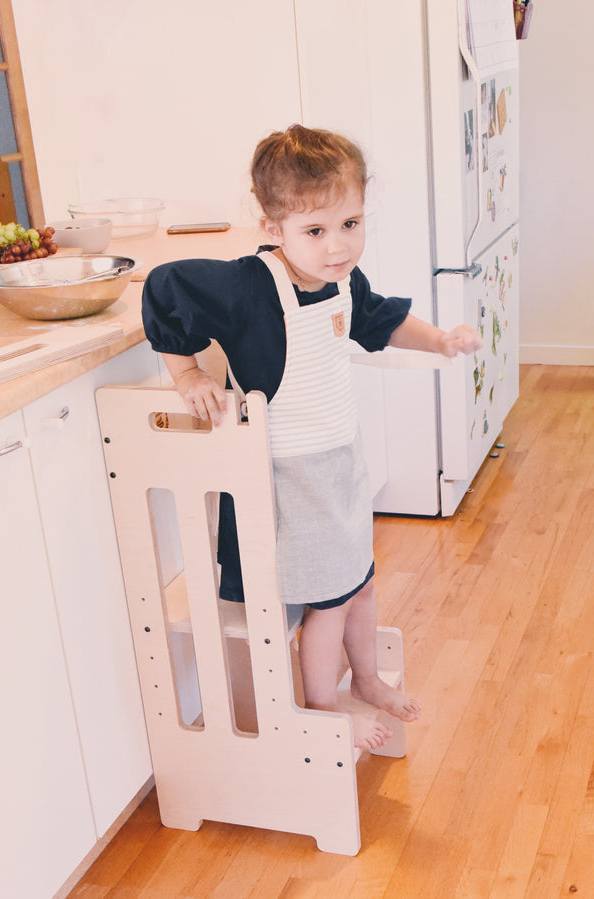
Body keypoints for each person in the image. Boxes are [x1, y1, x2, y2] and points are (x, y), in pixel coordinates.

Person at [142, 125, 482, 750]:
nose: (338, 247)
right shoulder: (250, 285)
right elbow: (167, 286)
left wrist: (440, 341)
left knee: (362, 581)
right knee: (328, 600)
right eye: (316, 231)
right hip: (287, 478)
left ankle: (369, 680)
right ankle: (323, 706)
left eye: (351, 223)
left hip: (340, 460)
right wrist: (187, 370)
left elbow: (379, 319)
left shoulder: (343, 280)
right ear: (273, 226)